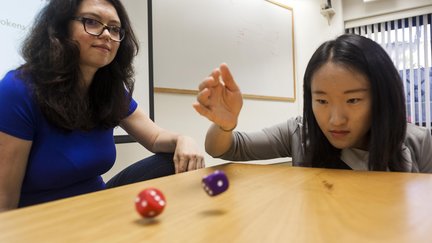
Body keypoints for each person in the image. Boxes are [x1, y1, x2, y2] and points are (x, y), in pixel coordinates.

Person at [0, 0, 204, 212]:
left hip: (98, 207)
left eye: (114, 28)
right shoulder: (18, 88)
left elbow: (154, 138)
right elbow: (4, 201)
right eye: (92, 22)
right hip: (44, 221)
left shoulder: (110, 89)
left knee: (172, 161)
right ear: (60, 28)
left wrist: (184, 139)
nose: (107, 34)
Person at [193, 33, 432, 173]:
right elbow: (222, 148)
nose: (335, 119)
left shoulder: (418, 141)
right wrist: (225, 125)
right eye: (322, 100)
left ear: (381, 97)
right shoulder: (299, 132)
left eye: (353, 100)